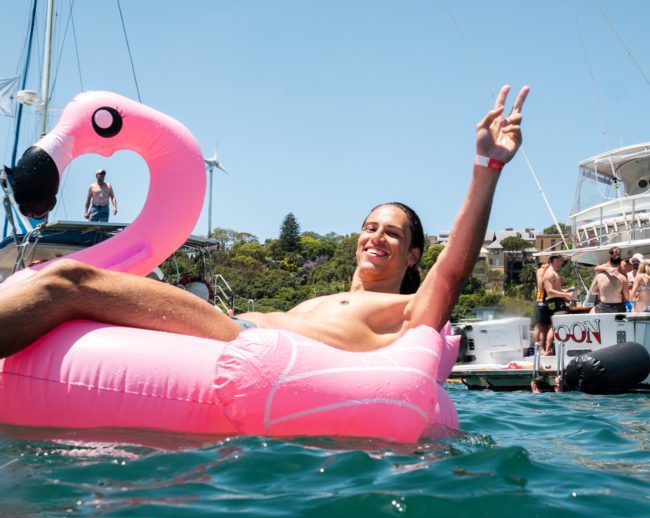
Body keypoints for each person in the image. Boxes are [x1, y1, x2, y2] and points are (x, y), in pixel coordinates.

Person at [0, 85, 529, 360]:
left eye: (392, 232)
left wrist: (487, 169)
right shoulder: (324, 301)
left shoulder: (404, 309)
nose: (375, 237)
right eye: (370, 227)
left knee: (67, 280)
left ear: (414, 255)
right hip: (233, 329)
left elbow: (453, 272)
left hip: (236, 338)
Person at [591, 247, 630, 313]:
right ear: (610, 255)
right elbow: (596, 268)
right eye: (614, 253)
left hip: (620, 296)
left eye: (618, 254)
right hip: (606, 298)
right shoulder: (606, 265)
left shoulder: (623, 265)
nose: (617, 255)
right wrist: (607, 269)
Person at [533, 260, 551, 354]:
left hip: (547, 300)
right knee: (539, 326)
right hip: (540, 300)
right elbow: (541, 286)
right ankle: (538, 349)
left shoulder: (550, 271)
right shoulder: (541, 270)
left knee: (545, 327)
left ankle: (543, 349)